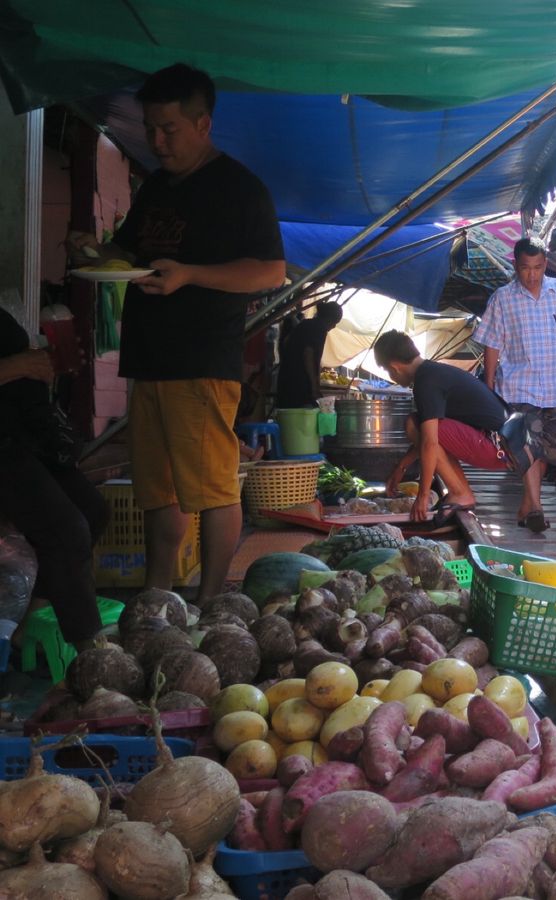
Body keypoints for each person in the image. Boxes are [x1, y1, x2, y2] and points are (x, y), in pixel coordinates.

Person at [68, 63, 286, 600]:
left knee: (211, 490)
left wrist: (192, 275)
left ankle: (210, 599)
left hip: (201, 360)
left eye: (169, 129)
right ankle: (159, 592)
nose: (157, 141)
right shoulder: (159, 186)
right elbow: (132, 252)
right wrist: (99, 252)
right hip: (147, 358)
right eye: (150, 128)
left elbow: (270, 272)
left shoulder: (239, 188)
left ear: (203, 123)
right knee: (155, 491)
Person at [473, 235, 556, 534]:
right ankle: (537, 509)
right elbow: (492, 343)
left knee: (550, 452)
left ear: (546, 265)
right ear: (515, 265)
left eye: (538, 267)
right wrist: (489, 385)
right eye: (526, 268)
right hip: (519, 386)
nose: (532, 274)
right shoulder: (502, 298)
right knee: (527, 447)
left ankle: (526, 505)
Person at [0, 307, 108, 651]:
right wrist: (15, 367)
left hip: (18, 436)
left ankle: (30, 621)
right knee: (65, 529)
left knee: (92, 510)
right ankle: (92, 653)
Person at [374, 330, 510, 525]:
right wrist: (401, 467)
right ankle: (461, 491)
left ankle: (460, 493)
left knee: (415, 425)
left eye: (387, 371)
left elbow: (429, 443)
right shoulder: (431, 372)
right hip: (499, 444)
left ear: (394, 367)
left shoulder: (426, 382)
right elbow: (428, 441)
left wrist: (422, 495)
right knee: (421, 425)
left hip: (497, 447)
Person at [275, 301, 343, 408]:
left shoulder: (305, 323)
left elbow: (286, 342)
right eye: (334, 322)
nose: (334, 326)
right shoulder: (320, 328)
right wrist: (314, 387)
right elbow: (308, 354)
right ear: (328, 318)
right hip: (299, 385)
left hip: (286, 380)